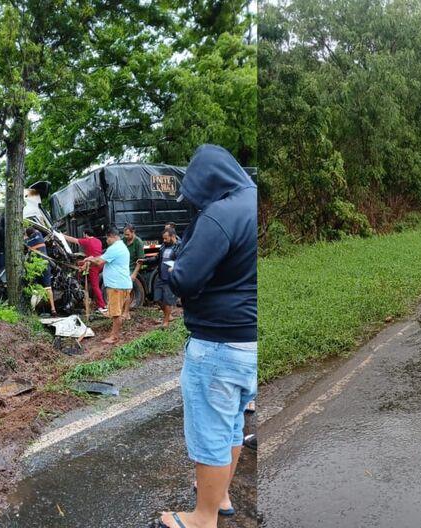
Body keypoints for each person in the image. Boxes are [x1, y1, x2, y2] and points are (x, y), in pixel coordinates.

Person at [157, 145, 257, 528]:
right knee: (232, 423)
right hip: (250, 341)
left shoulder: (220, 214)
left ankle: (203, 517)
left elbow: (185, 279)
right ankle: (221, 497)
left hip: (218, 345)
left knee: (211, 432)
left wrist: (169, 267)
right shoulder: (253, 202)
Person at [83, 227, 132, 343]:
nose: (106, 241)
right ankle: (114, 335)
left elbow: (99, 261)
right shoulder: (120, 247)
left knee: (115, 313)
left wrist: (90, 259)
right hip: (119, 284)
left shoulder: (115, 248)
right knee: (116, 312)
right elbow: (101, 259)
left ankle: (114, 337)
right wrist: (92, 259)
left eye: (107, 238)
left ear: (112, 236)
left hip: (117, 286)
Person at [144, 227, 181, 327]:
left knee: (167, 300)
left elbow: (183, 261)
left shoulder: (179, 247)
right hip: (161, 277)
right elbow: (157, 258)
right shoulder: (163, 246)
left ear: (172, 237)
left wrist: (175, 267)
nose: (164, 241)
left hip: (170, 278)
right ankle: (167, 315)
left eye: (166, 238)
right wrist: (145, 261)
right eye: (163, 239)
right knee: (157, 298)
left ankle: (166, 321)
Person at [63, 229, 106, 314]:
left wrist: (62, 236)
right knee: (82, 268)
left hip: (93, 265)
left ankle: (102, 306)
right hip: (100, 263)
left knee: (95, 286)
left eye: (84, 235)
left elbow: (73, 240)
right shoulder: (98, 241)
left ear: (86, 234)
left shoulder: (87, 241)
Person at [25, 227, 57, 315]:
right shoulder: (39, 235)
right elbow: (39, 230)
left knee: (35, 289)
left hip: (34, 266)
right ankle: (53, 309)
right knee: (48, 288)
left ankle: (33, 310)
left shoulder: (27, 241)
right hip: (45, 264)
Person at [123, 223, 145, 319]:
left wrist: (134, 274)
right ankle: (122, 311)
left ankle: (126, 313)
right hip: (123, 269)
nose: (126, 236)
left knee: (127, 292)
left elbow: (140, 261)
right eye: (125, 234)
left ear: (133, 232)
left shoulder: (138, 242)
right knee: (121, 292)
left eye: (128, 234)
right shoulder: (123, 240)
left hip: (131, 269)